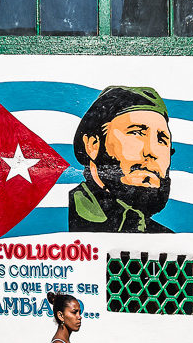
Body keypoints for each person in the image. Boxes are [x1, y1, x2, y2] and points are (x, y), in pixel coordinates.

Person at [69, 85, 174, 233]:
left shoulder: (166, 238)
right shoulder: (63, 216)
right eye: (136, 132)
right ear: (93, 145)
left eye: (162, 140)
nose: (152, 151)